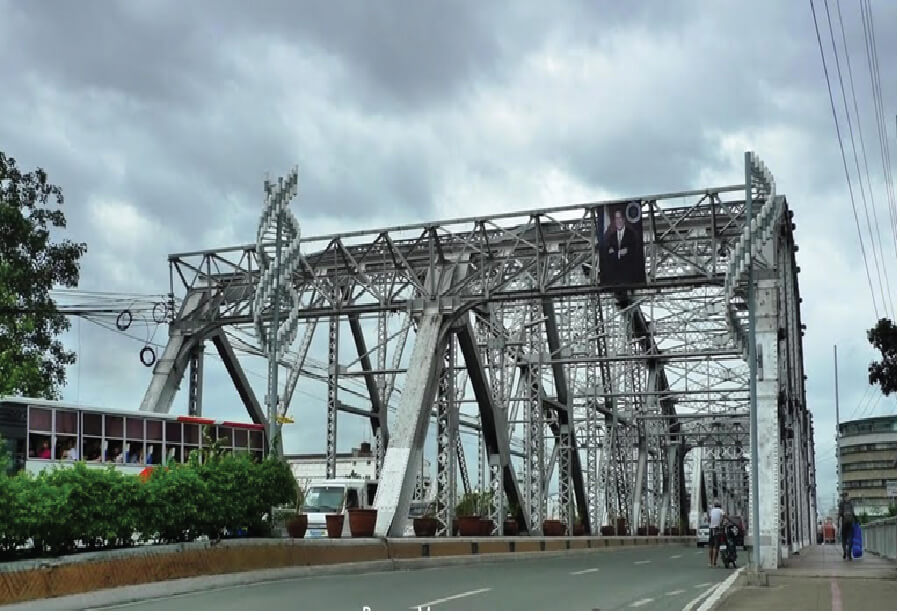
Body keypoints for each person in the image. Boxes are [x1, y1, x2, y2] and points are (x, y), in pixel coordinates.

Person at [603, 207, 640, 284]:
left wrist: (616, 252)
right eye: (616, 218)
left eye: (620, 218)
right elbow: (608, 255)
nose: (618, 221)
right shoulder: (611, 236)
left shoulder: (631, 234)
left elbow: (634, 253)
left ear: (624, 219)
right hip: (615, 276)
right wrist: (620, 252)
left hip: (629, 275)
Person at [838, 491, 856, 560]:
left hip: (844, 523)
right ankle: (850, 554)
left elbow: (840, 514)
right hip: (850, 522)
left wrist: (838, 523)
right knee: (850, 538)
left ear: (843, 497)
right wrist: (856, 521)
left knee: (844, 539)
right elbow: (853, 513)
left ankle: (845, 551)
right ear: (848, 496)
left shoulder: (841, 503)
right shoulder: (851, 503)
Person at [708, 500, 724, 567]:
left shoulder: (711, 511)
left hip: (711, 529)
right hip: (717, 529)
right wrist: (720, 523)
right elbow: (723, 518)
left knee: (711, 546)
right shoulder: (721, 511)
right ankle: (714, 563)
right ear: (720, 505)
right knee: (716, 546)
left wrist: (711, 524)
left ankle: (710, 562)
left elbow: (709, 519)